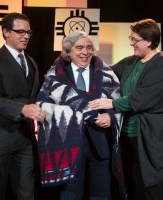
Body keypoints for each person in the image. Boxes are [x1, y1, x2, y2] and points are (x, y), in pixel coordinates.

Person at [88, 18, 163, 200]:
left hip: (159, 139)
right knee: (135, 186)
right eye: (131, 38)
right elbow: (105, 72)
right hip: (132, 137)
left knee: (158, 188)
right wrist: (80, 60)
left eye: (135, 39)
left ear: (148, 41)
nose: (131, 43)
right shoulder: (132, 62)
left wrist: (112, 104)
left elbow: (144, 97)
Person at [35, 31, 126, 200]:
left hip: (100, 143)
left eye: (88, 47)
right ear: (68, 51)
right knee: (70, 195)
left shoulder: (107, 73)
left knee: (102, 195)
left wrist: (109, 115)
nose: (85, 52)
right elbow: (42, 105)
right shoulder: (55, 76)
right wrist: (78, 113)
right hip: (67, 145)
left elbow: (117, 101)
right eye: (79, 48)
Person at [0, 12, 46, 200]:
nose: (26, 36)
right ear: (6, 32)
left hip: (25, 141)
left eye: (29, 32)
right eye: (20, 31)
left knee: (27, 195)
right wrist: (21, 109)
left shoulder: (31, 62)